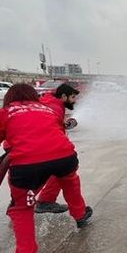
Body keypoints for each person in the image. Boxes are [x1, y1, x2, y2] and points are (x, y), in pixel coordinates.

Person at [0, 84, 92, 253]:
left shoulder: (2, 113)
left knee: (22, 209)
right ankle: (81, 216)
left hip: (27, 166)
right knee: (70, 182)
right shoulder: (47, 109)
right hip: (65, 156)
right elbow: (57, 131)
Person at [34, 83, 80, 214]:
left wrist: (63, 124)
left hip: (36, 145)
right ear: (64, 96)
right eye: (72, 97)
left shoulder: (50, 102)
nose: (74, 100)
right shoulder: (55, 106)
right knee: (64, 168)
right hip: (38, 147)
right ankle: (41, 202)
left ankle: (23, 202)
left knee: (53, 172)